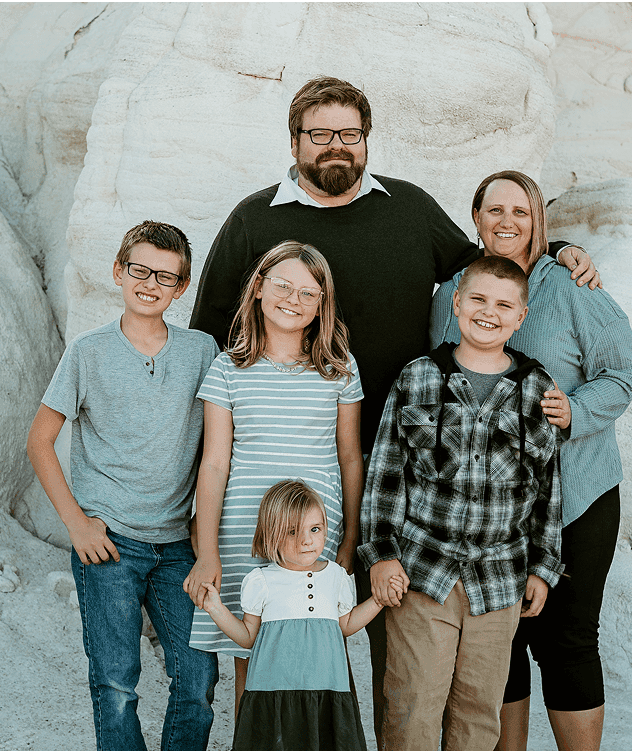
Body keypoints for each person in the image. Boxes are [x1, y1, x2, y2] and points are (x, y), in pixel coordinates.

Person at [188, 75, 600, 739]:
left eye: (348, 134)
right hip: (288, 476)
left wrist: (551, 250)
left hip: (410, 476)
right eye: (318, 134)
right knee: (277, 637)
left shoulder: (407, 207)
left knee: (397, 645)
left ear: (366, 139)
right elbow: (208, 336)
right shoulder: (253, 219)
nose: (334, 146)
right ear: (293, 140)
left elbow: (484, 271)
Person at [429, 171, 632, 751]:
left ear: (538, 220)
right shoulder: (453, 294)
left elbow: (623, 373)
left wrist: (572, 410)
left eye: (520, 212)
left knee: (567, 639)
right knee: (498, 639)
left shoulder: (573, 287)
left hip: (576, 493)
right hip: (492, 503)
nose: (506, 222)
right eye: (494, 210)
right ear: (475, 219)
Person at [26, 221, 219, 751]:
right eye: (140, 269)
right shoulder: (88, 353)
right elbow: (40, 441)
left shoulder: (202, 352)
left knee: (198, 682)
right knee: (115, 685)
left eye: (166, 276)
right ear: (118, 271)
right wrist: (77, 525)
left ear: (181, 288)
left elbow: (220, 444)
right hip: (108, 543)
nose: (151, 283)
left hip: (179, 544)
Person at [360, 255, 564, 751]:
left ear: (521, 316)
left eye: (503, 304)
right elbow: (386, 474)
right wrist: (381, 555)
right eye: (476, 299)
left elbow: (547, 489)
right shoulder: (418, 378)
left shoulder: (537, 390)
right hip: (423, 573)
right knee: (413, 708)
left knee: (478, 715)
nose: (487, 312)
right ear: (455, 303)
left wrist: (543, 567)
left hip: (500, 578)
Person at [183, 241, 364, 714]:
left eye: (309, 292)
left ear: (322, 304)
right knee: (254, 657)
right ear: (259, 287)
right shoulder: (228, 368)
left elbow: (349, 458)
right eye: (283, 285)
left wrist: (349, 542)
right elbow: (215, 463)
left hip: (314, 533)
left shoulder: (339, 370)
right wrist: (207, 552)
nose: (294, 299)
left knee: (315, 651)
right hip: (245, 531)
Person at [200, 479, 406, 751]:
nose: (307, 540)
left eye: (315, 529)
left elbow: (344, 625)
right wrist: (215, 607)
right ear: (271, 534)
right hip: (273, 695)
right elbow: (248, 637)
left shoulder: (336, 576)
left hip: (327, 693)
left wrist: (378, 601)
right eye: (293, 532)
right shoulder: (261, 580)